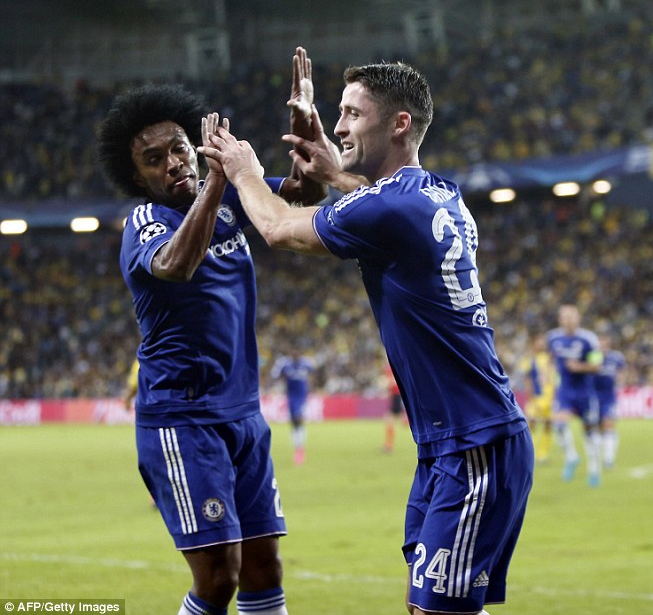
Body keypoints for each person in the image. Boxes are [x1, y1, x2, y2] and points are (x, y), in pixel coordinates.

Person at [200, 59, 534, 615]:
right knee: (424, 606)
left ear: (399, 123)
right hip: (450, 442)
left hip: (474, 441)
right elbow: (378, 203)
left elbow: (279, 228)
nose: (338, 126)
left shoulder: (390, 206)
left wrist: (243, 171)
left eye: (353, 114)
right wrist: (335, 175)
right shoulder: (438, 194)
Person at [98, 48, 323, 615]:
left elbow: (305, 196)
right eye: (154, 160)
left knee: (265, 570)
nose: (174, 162)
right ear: (137, 177)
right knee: (219, 577)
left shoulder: (228, 201)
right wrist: (218, 183)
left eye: (179, 148)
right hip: (183, 419)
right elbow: (176, 265)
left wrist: (303, 132)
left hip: (243, 413)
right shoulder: (146, 222)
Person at [546, 304, 603, 487]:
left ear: (578, 318)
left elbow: (597, 366)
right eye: (565, 317)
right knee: (558, 425)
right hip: (565, 391)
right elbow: (550, 359)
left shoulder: (589, 339)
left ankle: (594, 469)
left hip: (585, 392)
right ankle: (571, 456)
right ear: (560, 319)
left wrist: (580, 367)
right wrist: (547, 374)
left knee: (589, 431)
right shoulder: (553, 338)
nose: (568, 320)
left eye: (571, 316)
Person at [270, 349, 316, 464]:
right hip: (291, 396)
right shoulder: (285, 364)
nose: (295, 354)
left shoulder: (306, 363)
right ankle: (298, 447)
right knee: (294, 423)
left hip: (302, 395)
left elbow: (314, 373)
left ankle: (300, 449)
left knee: (298, 417)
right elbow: (275, 375)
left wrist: (311, 385)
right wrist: (279, 383)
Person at [520, 333, 556, 463]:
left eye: (543, 341)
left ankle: (543, 454)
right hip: (536, 397)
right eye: (539, 341)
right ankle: (531, 452)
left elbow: (554, 377)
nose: (541, 343)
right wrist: (530, 396)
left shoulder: (549, 358)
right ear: (533, 343)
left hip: (549, 396)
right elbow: (527, 379)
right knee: (532, 423)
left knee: (548, 424)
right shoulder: (529, 359)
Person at [594, 332, 626, 470]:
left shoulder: (616, 357)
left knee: (609, 424)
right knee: (597, 428)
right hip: (594, 396)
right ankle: (599, 457)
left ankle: (609, 459)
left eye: (604, 340)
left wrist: (621, 380)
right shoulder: (592, 357)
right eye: (599, 341)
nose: (602, 343)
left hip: (609, 396)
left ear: (608, 342)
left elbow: (622, 372)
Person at [382, 357, 405, 454]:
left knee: (389, 419)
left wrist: (386, 385)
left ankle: (389, 446)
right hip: (396, 396)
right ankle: (388, 445)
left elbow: (392, 382)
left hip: (396, 396)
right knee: (391, 419)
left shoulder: (390, 367)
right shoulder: (394, 366)